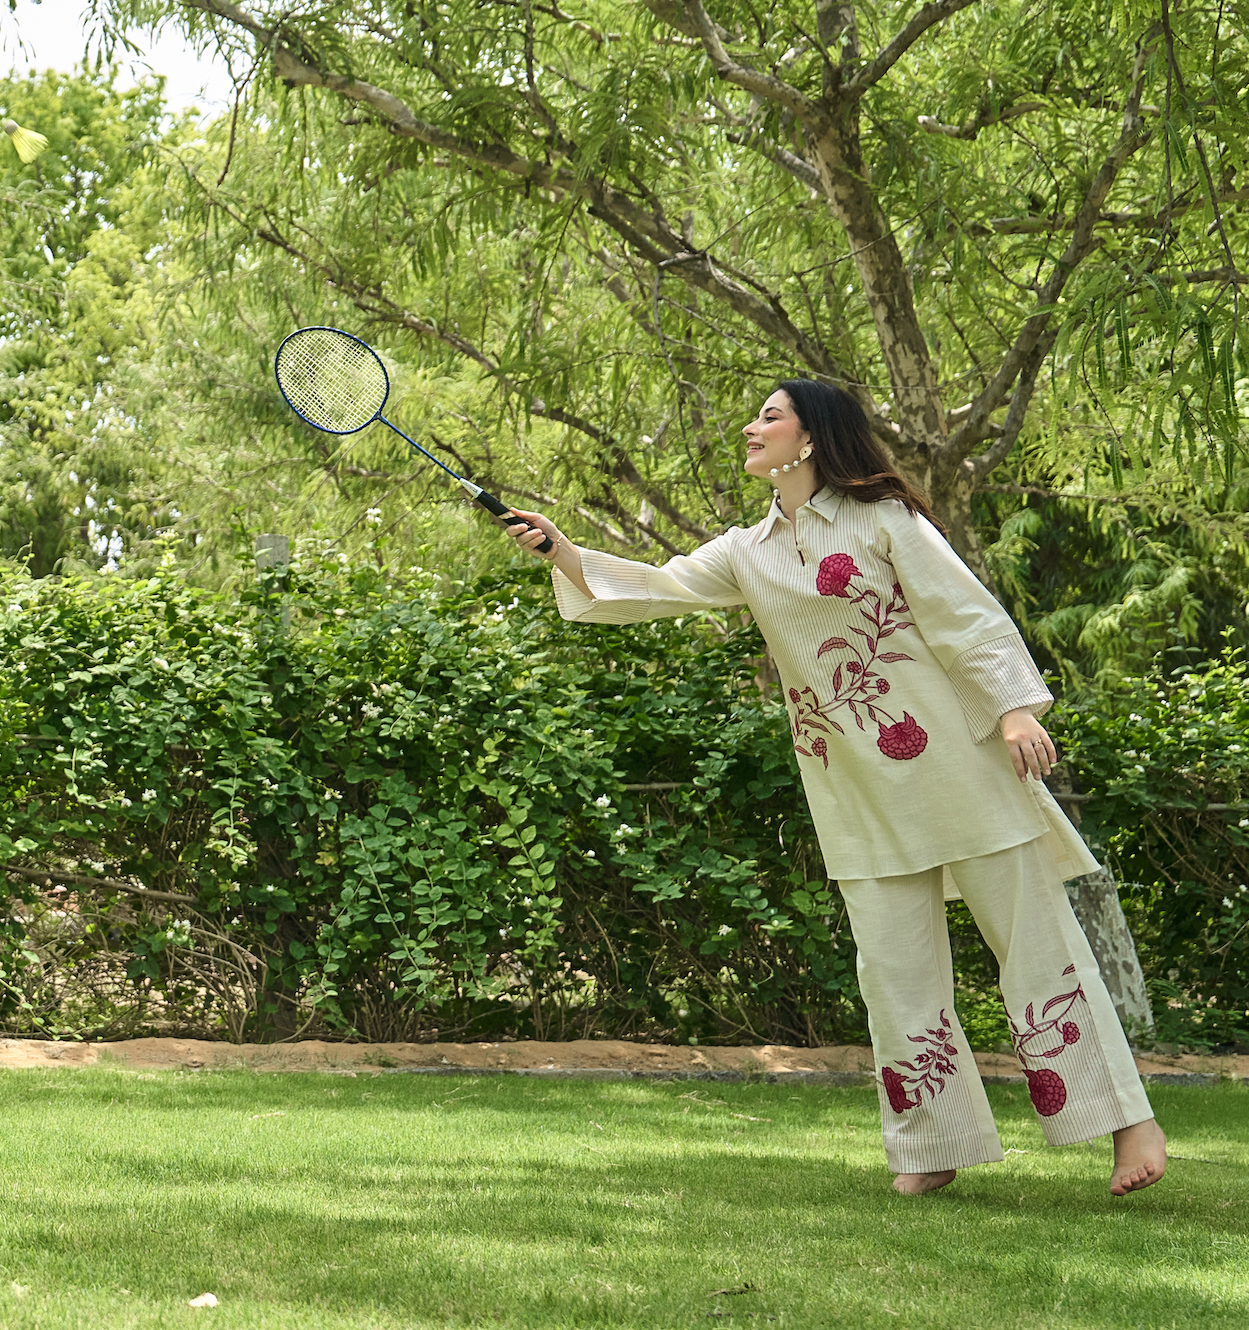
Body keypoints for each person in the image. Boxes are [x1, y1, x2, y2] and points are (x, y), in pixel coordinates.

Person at [499, 381, 1166, 1198]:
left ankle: (1129, 1123)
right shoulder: (749, 550)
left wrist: (1018, 711)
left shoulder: (887, 520)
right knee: (893, 972)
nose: (751, 426)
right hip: (853, 787)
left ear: (811, 438)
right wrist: (563, 550)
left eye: (769, 416)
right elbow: (657, 586)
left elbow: (968, 616)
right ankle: (932, 1143)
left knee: (1038, 951)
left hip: (958, 766)